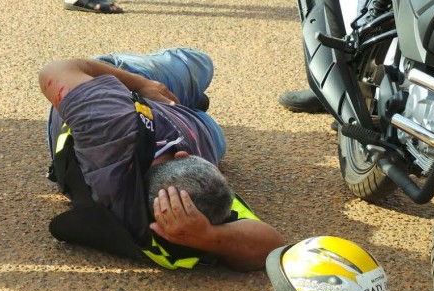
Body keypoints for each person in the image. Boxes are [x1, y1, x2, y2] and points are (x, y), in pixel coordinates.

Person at [40, 48, 285, 272]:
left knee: (200, 64)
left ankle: (184, 97)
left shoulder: (108, 122)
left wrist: (141, 84)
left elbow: (59, 69)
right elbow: (273, 247)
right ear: (185, 154)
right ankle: (189, 102)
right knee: (204, 77)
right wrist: (209, 236)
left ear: (182, 156)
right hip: (201, 130)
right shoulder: (201, 209)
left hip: (126, 95)